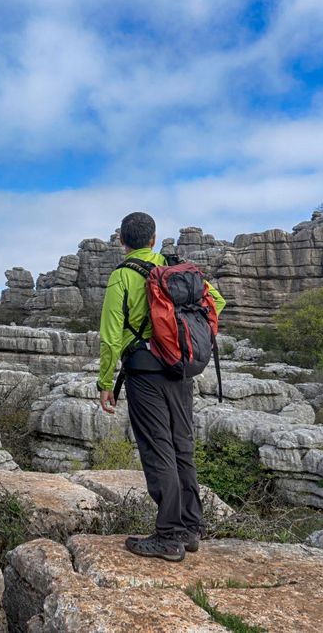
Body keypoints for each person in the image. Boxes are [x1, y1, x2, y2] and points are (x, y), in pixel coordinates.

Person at [97, 211, 225, 562]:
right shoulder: (175, 268)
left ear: (122, 240)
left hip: (144, 373)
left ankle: (168, 537)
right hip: (179, 370)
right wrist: (180, 338)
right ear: (153, 239)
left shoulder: (122, 275)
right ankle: (190, 529)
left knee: (158, 450)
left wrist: (106, 382)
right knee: (182, 446)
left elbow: (110, 335)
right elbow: (217, 302)